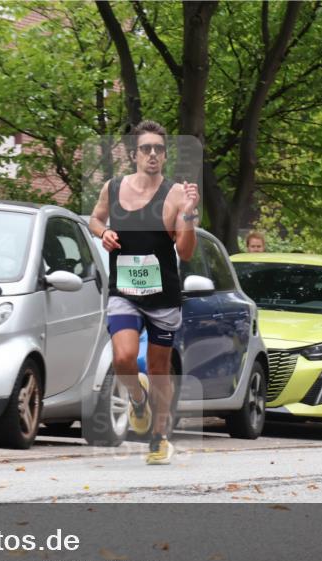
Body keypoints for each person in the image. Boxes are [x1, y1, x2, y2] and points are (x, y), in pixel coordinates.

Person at [88, 120, 199, 464]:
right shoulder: (113, 187)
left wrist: (190, 216)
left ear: (165, 155)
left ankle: (159, 437)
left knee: (158, 369)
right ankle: (137, 399)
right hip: (124, 291)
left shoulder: (177, 194)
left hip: (162, 296)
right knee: (122, 359)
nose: (152, 154)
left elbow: (186, 252)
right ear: (134, 154)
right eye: (146, 148)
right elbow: (95, 219)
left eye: (159, 149)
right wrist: (102, 233)